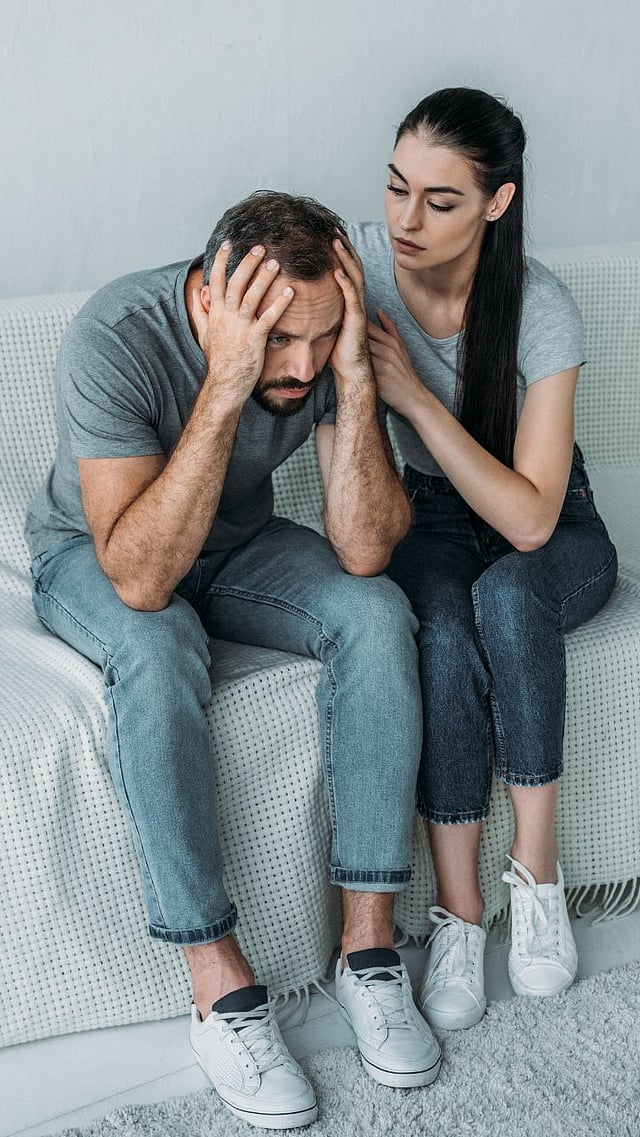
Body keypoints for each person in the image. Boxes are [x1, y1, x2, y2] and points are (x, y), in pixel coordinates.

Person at [25, 190, 441, 1130]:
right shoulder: (116, 336)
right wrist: (224, 381)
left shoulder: (324, 346)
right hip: (101, 552)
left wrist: (357, 378)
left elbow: (365, 548)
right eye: (278, 341)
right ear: (214, 302)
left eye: (318, 338)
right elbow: (141, 578)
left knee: (378, 612)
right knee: (156, 642)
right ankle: (219, 986)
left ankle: (368, 952)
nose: (297, 367)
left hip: (235, 547)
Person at [347, 88, 617, 1032]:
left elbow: (533, 518)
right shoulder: (360, 269)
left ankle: (537, 877)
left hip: (554, 522)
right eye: (396, 188)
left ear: (497, 202)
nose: (406, 219)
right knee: (442, 625)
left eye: (440, 200)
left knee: (505, 593)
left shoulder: (541, 308)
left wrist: (417, 400)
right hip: (428, 519)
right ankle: (461, 914)